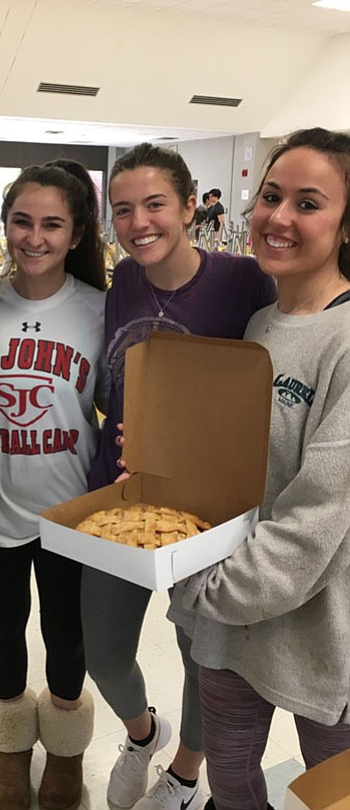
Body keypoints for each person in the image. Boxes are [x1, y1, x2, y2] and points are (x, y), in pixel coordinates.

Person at [82, 143, 276, 810]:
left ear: (192, 206)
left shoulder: (247, 283)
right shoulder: (122, 282)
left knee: (200, 653)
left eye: (156, 203)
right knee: (103, 651)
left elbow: (275, 390)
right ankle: (143, 733)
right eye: (124, 208)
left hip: (209, 515)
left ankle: (186, 772)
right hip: (120, 499)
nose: (139, 221)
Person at [169, 128, 350, 810]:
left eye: (309, 203)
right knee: (234, 784)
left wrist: (196, 587)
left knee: (334, 793)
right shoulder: (259, 324)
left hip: (324, 634)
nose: (278, 217)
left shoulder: (344, 342)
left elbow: (312, 522)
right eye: (271, 195)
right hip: (235, 628)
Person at [0, 161, 108, 810]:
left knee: (66, 633)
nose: (35, 236)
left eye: (52, 223)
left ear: (77, 232)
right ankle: (10, 746)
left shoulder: (100, 310)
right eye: (21, 220)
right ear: (3, 225)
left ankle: (66, 752)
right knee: (5, 624)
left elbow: (127, 407)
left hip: (71, 514)